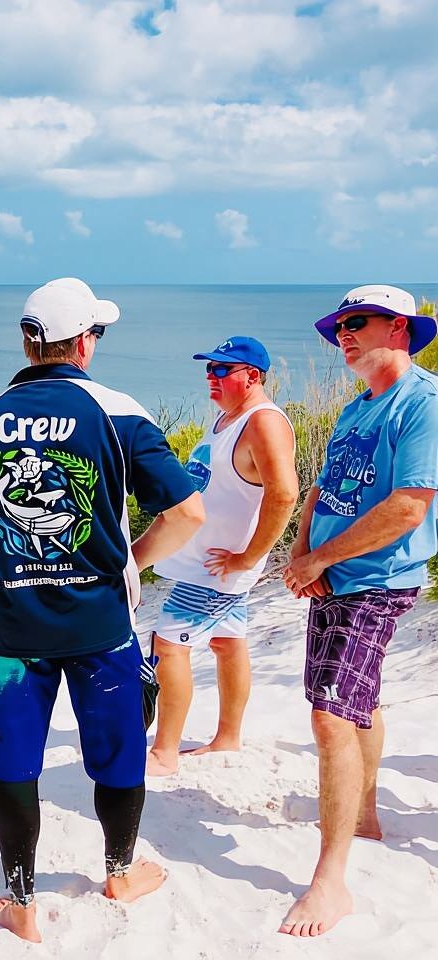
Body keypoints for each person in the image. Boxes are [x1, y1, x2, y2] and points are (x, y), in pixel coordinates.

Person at [0, 278, 205, 943]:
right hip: (101, 625)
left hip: (11, 630)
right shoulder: (118, 411)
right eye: (97, 333)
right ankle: (119, 873)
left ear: (29, 342)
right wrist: (131, 560)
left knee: (14, 763)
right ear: (83, 342)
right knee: (118, 753)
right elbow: (187, 513)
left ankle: (21, 903)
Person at [278, 284, 438, 938]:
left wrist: (320, 559)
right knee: (355, 702)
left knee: (330, 716)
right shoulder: (356, 407)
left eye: (357, 323)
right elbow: (322, 489)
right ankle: (365, 812)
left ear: (399, 328)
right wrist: (302, 551)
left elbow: (408, 507)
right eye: (338, 327)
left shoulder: (421, 402)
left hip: (377, 578)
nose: (343, 335)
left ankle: (331, 881)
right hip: (331, 576)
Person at [146, 337, 298, 775]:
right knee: (228, 644)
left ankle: (164, 752)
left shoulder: (263, 422)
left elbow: (284, 494)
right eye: (208, 369)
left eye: (221, 370)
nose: (210, 377)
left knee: (168, 648)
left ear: (252, 376)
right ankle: (228, 737)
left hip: (214, 571)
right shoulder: (227, 418)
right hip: (207, 564)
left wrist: (248, 558)